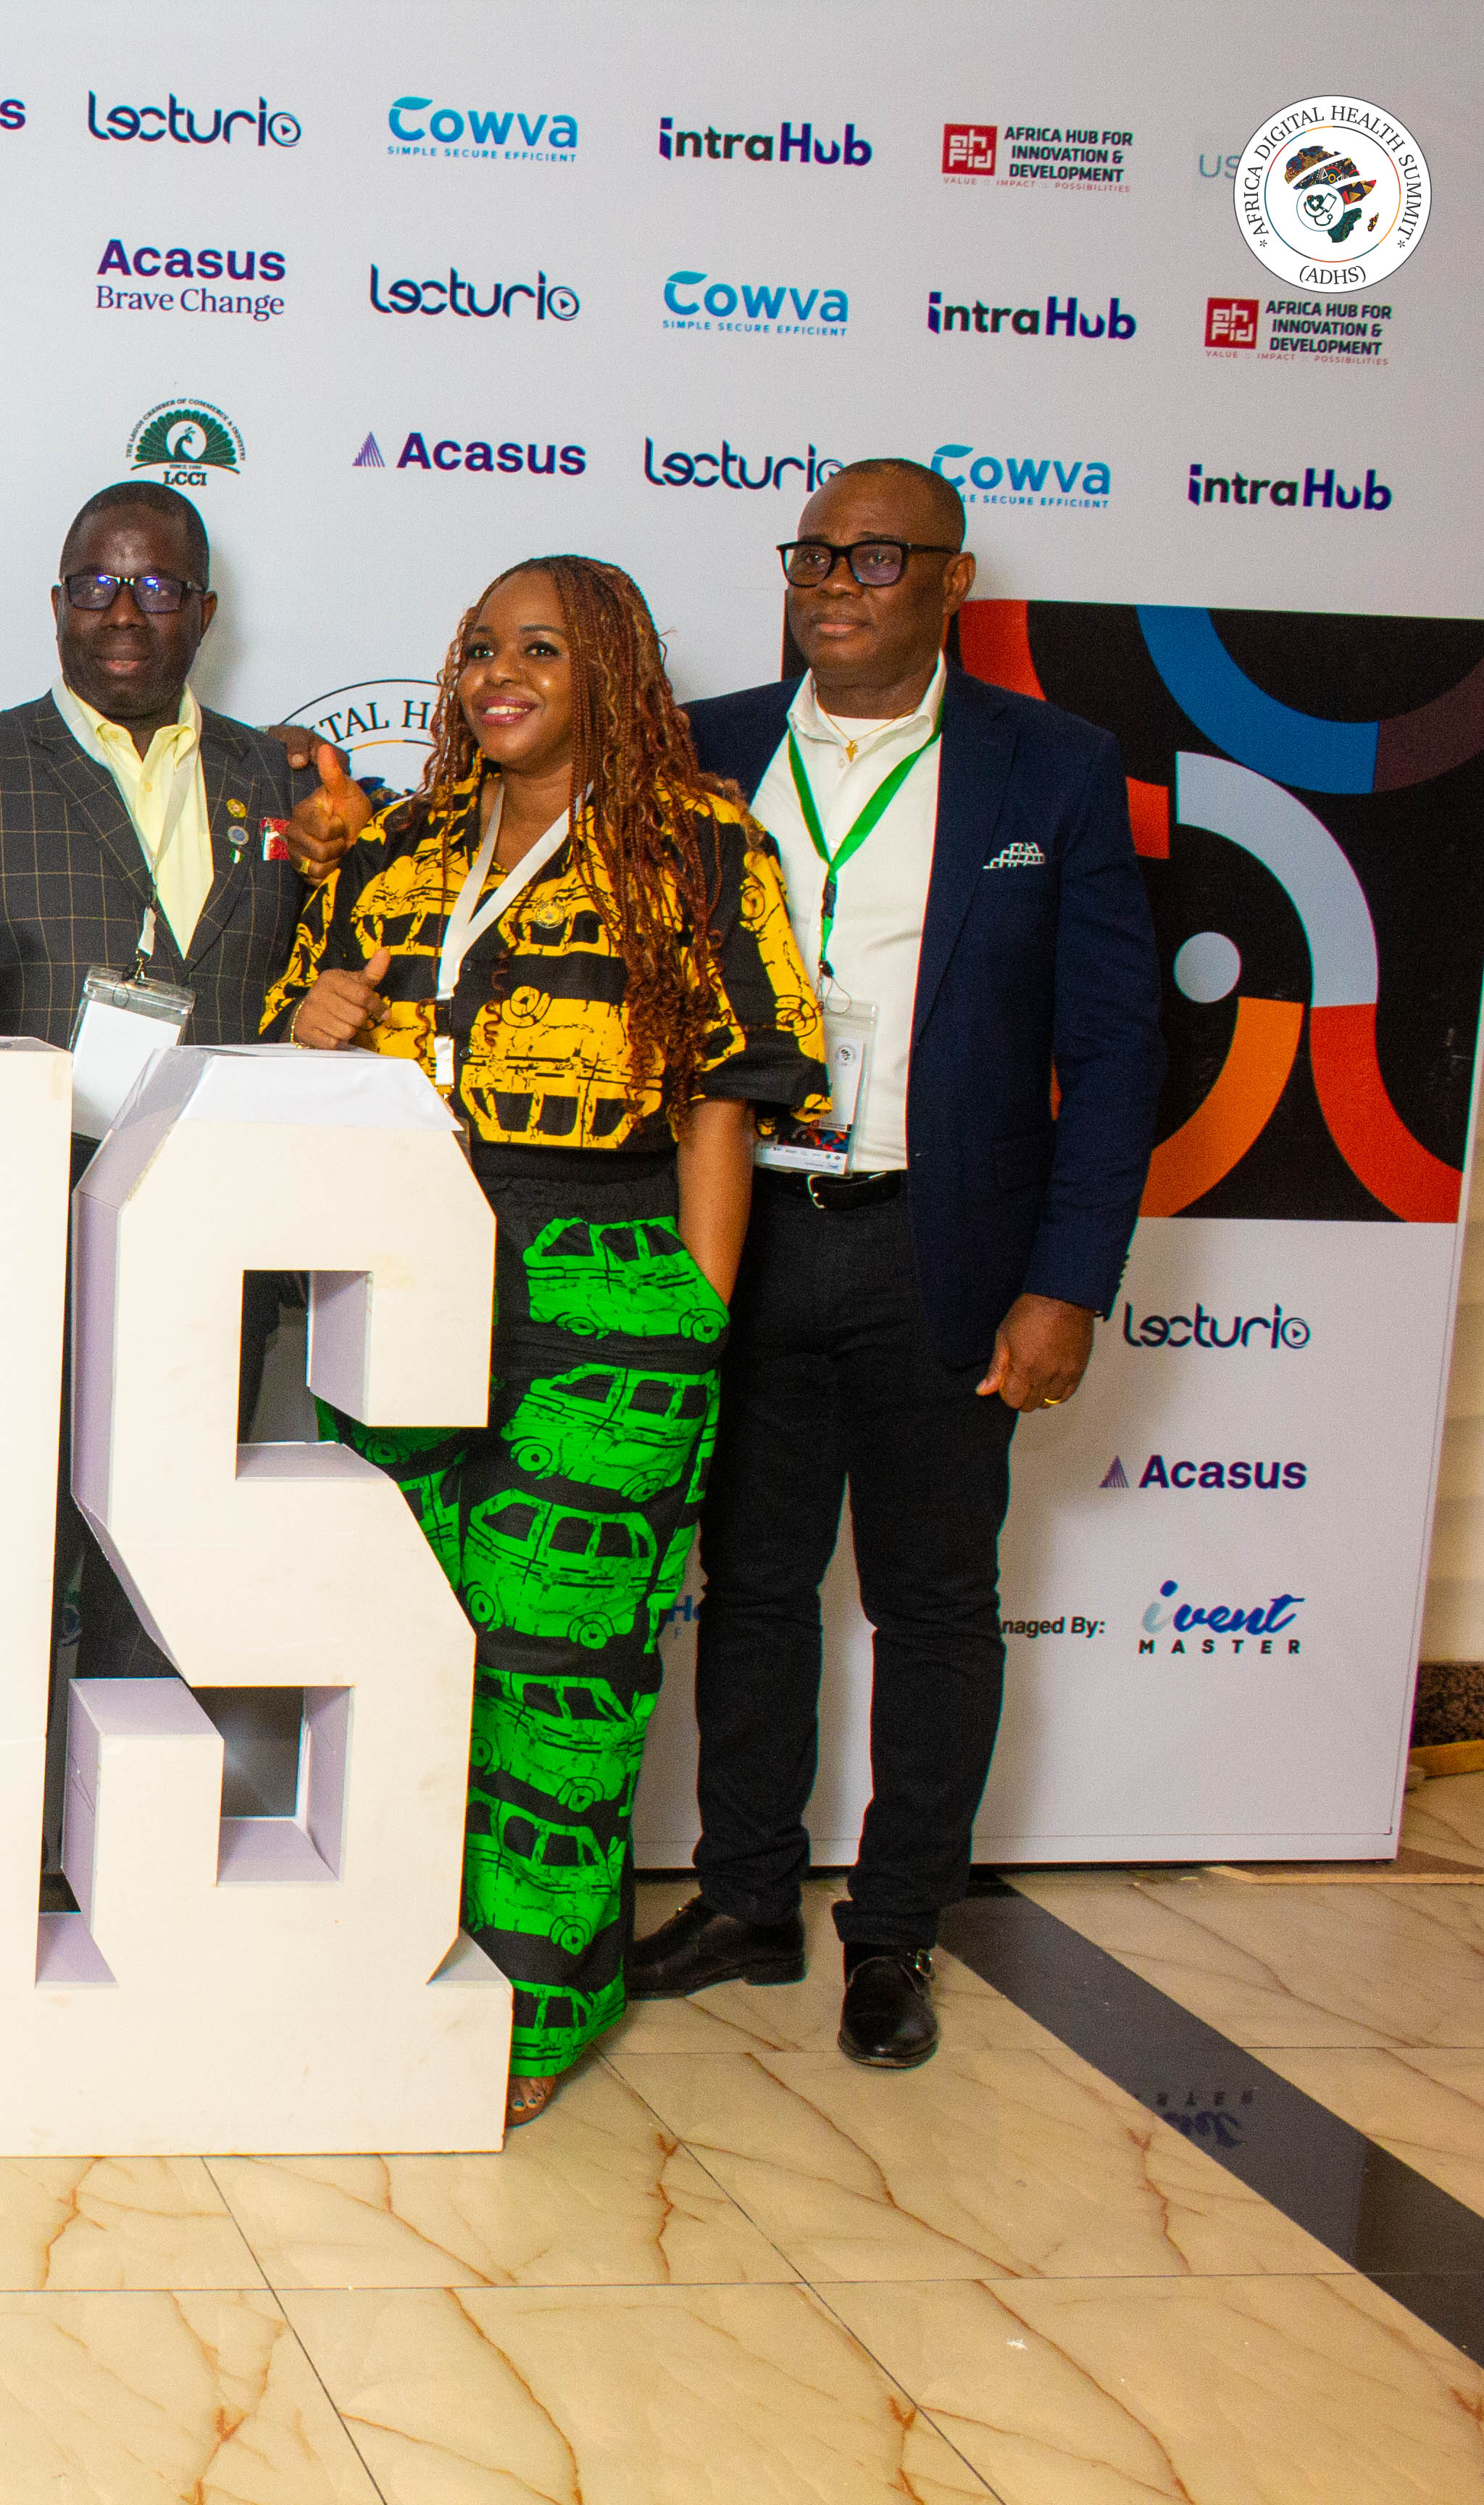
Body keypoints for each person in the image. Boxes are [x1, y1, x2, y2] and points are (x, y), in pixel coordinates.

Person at [276, 552, 825, 2124]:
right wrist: (310, 1016)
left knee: (556, 1663)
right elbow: (306, 1035)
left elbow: (724, 1098)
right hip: (400, 1267)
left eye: (538, 649)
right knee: (400, 1650)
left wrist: (693, 1310)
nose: (496, 676)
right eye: (477, 650)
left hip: (602, 1277)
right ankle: (391, 1963)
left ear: (613, 675)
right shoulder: (402, 848)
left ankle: (533, 2010)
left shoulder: (701, 843)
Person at [644, 460, 1164, 2066]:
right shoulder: (705, 747)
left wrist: (1067, 1282)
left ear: (952, 579)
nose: (834, 583)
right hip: (740, 1229)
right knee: (752, 1589)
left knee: (935, 1604)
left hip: (938, 1243)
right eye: (813, 553)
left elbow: (1113, 1048)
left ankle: (893, 1931)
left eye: (874, 557)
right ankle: (746, 1899)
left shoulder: (1049, 767)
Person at [0, 481, 370, 1687]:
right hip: (29, 1234)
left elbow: (347, 945)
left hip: (214, 1231)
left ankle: (132, 1791)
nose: (123, 613)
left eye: (153, 586)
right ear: (56, 606)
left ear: (204, 611)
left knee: (167, 1565)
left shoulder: (282, 778)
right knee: (7, 1558)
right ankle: (6, 1789)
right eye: (96, 586)